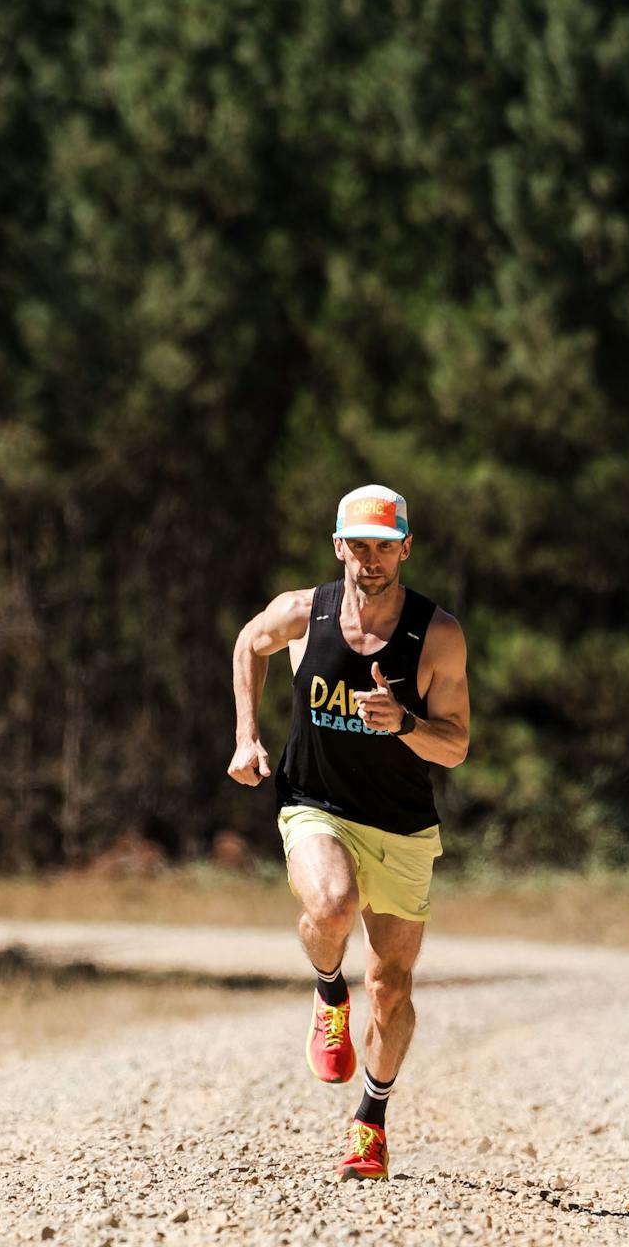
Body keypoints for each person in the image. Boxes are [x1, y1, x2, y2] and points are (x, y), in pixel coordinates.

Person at [227, 483, 471, 1182]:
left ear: (406, 549)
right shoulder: (305, 613)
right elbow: (249, 642)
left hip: (401, 822)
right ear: (338, 546)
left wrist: (405, 723)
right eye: (358, 545)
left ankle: (371, 1123)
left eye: (384, 546)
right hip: (315, 802)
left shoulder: (437, 635)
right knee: (331, 906)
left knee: (391, 986)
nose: (371, 558)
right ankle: (329, 990)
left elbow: (455, 746)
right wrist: (247, 736)